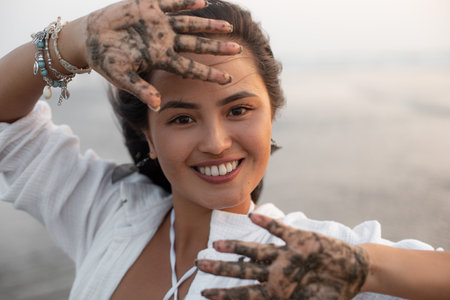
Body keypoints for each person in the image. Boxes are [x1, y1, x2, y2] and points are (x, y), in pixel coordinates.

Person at [0, 0, 449, 299]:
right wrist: (73, 41)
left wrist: (363, 268)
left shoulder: (307, 260)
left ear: (271, 114)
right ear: (149, 138)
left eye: (239, 110)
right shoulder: (105, 211)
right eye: (181, 118)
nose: (215, 143)